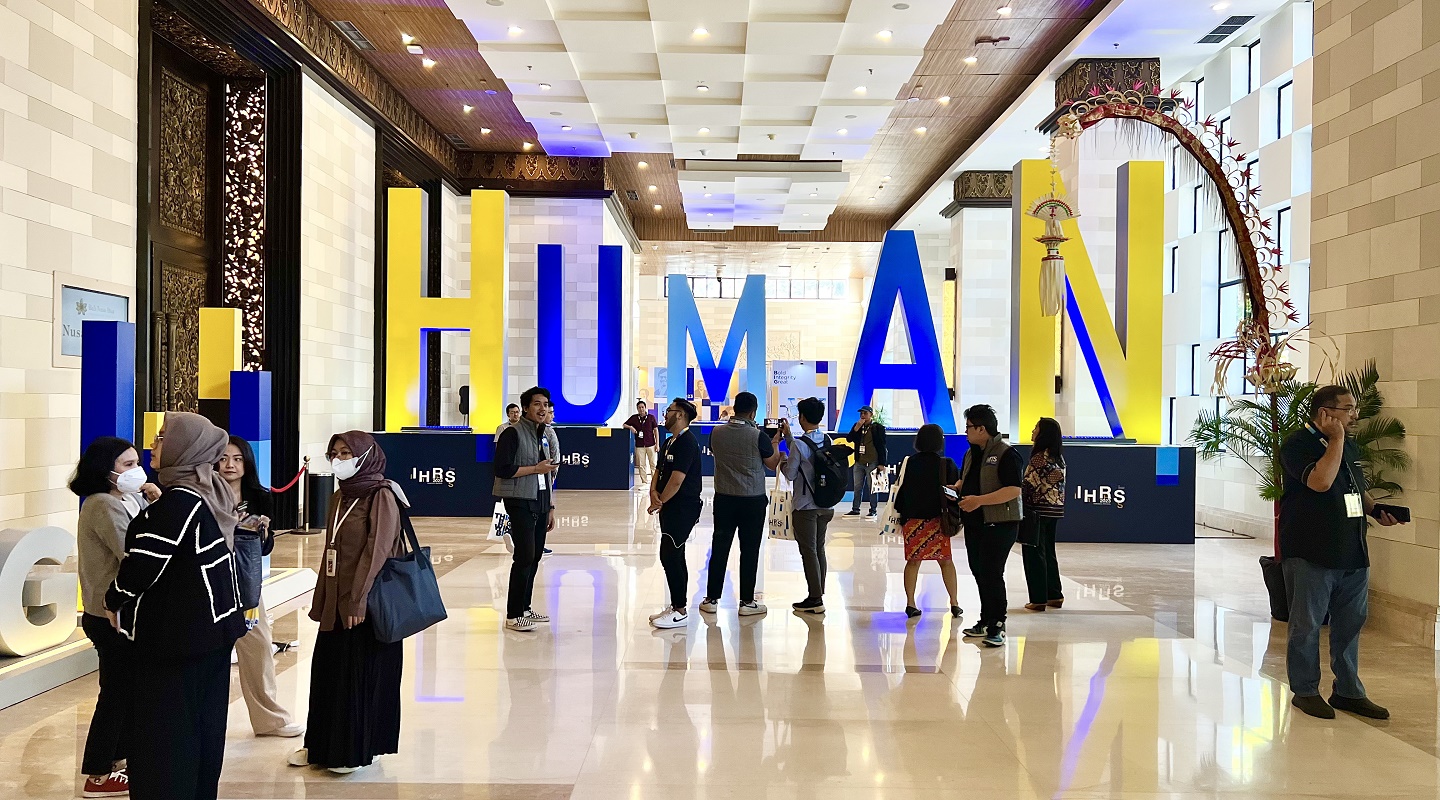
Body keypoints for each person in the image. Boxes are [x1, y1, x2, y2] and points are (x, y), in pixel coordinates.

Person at [104, 412, 247, 800]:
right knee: (200, 731)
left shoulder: (178, 502)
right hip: (210, 632)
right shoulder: (208, 492)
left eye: (163, 437)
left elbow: (144, 564)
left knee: (165, 739)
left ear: (186, 448)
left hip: (176, 639)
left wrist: (113, 599)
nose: (154, 443)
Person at [1279, 384, 1400, 720]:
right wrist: (1335, 440)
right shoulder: (1297, 444)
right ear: (1325, 413)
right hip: (1311, 551)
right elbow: (1321, 482)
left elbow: (1353, 486)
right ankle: (1305, 690)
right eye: (1348, 409)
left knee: (1350, 625)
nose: (1355, 415)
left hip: (1351, 549)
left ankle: (1348, 691)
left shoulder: (1346, 443)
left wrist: (1375, 510)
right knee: (1307, 625)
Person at [289, 431, 406, 772]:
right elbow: (332, 551)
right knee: (329, 672)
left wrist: (357, 600)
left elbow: (377, 551)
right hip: (336, 601)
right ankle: (319, 746)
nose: (339, 459)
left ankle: (354, 750)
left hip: (366, 603)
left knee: (358, 673)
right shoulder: (340, 496)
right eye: (335, 453)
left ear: (366, 456)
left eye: (346, 453)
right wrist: (323, 600)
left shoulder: (382, 494)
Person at [71, 436, 159, 798]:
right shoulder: (103, 504)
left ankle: (118, 758)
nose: (136, 470)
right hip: (109, 614)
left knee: (125, 689)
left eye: (137, 462)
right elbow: (132, 551)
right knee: (116, 693)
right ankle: (97, 773)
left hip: (122, 611)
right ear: (106, 470)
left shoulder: (127, 499)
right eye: (127, 465)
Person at [218, 435, 304, 738]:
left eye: (237, 459)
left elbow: (265, 548)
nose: (230, 465)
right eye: (224, 458)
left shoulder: (259, 496)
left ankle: (270, 720)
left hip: (247, 584)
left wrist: (261, 530)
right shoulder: (205, 493)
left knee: (258, 648)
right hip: (211, 582)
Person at [700, 391, 784, 617]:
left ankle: (711, 599)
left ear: (735, 408)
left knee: (720, 547)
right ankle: (747, 602)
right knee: (749, 550)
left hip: (724, 497)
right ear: (753, 412)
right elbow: (771, 464)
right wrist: (776, 442)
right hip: (752, 500)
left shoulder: (716, 433)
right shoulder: (759, 437)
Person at [956, 404, 1024, 647]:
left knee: (992, 573)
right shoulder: (971, 453)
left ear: (982, 429)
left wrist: (979, 500)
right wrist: (957, 488)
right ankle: (985, 620)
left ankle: (997, 624)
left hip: (1000, 523)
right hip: (975, 523)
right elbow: (967, 480)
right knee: (979, 571)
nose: (966, 431)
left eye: (969, 427)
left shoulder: (1006, 453)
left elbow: (1013, 490)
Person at [493, 386, 559, 631]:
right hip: (520, 500)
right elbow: (502, 469)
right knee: (524, 556)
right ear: (525, 408)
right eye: (537, 404)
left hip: (540, 500)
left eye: (545, 404)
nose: (542, 409)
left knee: (536, 556)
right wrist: (534, 469)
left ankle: (525, 608)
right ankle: (513, 615)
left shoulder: (543, 434)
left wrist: (550, 506)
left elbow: (548, 473)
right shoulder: (512, 433)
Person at [891, 424, 963, 621]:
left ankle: (910, 603)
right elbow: (953, 493)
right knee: (946, 561)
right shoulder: (946, 464)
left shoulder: (909, 463)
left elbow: (902, 491)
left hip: (913, 521)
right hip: (938, 521)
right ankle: (954, 602)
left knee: (913, 562)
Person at [647, 398, 703, 629]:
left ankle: (680, 610)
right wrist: (653, 491)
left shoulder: (687, 442)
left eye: (669, 411)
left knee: (670, 554)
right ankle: (676, 605)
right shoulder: (670, 441)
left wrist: (660, 501)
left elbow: (677, 480)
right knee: (673, 555)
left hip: (682, 508)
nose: (665, 414)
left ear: (680, 415)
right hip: (669, 506)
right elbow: (659, 470)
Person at [782, 397, 837, 613]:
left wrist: (782, 461)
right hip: (826, 504)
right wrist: (788, 437)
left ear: (802, 417)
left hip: (805, 506)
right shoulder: (828, 440)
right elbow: (806, 452)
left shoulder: (799, 445)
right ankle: (819, 592)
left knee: (808, 551)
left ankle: (815, 599)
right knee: (819, 548)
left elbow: (790, 474)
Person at [1021, 418, 1067, 612]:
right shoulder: (1058, 458)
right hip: (1054, 510)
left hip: (1037, 511)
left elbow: (1028, 485)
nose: (1032, 431)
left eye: (1036, 428)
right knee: (1048, 552)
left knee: (1034, 553)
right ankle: (1054, 594)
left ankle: (1038, 598)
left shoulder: (1039, 458)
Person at [843, 405, 887, 519]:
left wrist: (882, 463)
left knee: (872, 487)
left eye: (865, 413)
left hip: (872, 461)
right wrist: (856, 428)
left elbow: (882, 446)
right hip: (859, 461)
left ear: (871, 415)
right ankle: (855, 509)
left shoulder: (878, 428)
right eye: (861, 413)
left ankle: (873, 510)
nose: (863, 415)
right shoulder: (857, 426)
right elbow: (849, 439)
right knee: (857, 487)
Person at [625, 400, 660, 486]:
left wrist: (657, 444)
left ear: (645, 408)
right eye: (639, 408)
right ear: (637, 409)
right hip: (640, 445)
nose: (641, 409)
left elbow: (656, 430)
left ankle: (655, 483)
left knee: (653, 464)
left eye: (642, 407)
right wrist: (631, 427)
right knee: (641, 465)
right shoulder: (634, 418)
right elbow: (624, 425)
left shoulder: (651, 417)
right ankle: (644, 482)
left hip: (651, 444)